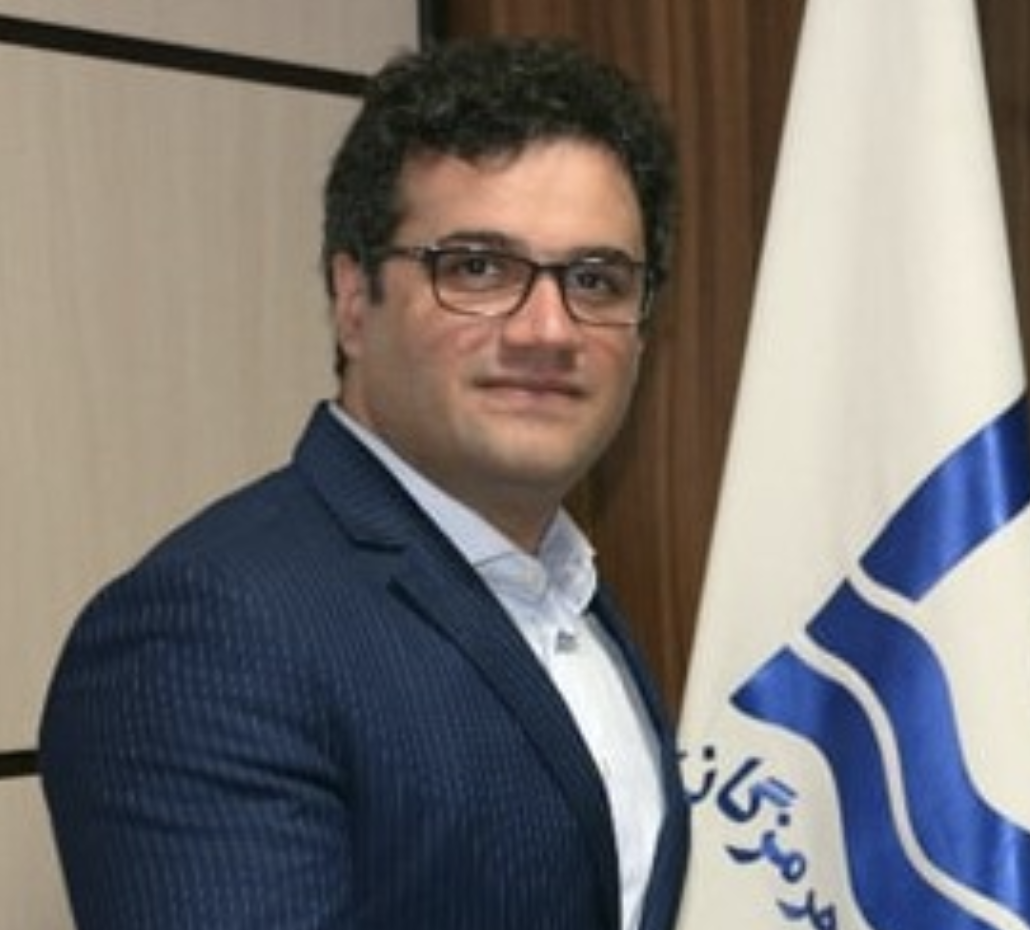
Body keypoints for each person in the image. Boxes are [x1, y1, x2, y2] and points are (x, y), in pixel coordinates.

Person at [39, 36, 689, 930]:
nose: (548, 329)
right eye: (478, 268)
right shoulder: (204, 634)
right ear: (353, 300)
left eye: (596, 279)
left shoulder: (568, 596)